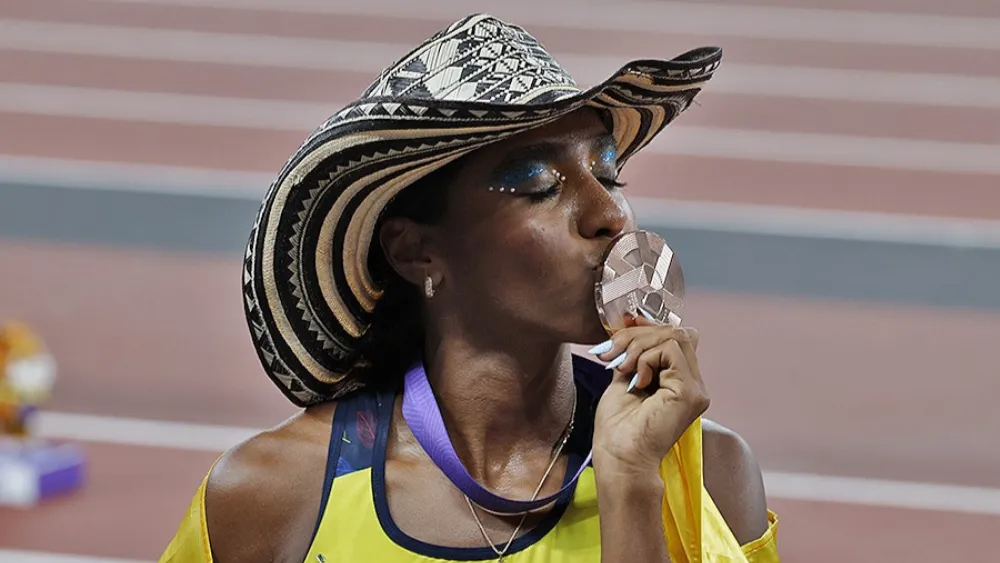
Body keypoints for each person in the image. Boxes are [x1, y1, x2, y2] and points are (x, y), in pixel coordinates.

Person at [159, 13, 779, 563]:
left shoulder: (707, 476)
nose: (609, 215)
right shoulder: (273, 494)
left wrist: (632, 481)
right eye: (539, 184)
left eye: (608, 173)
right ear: (415, 249)